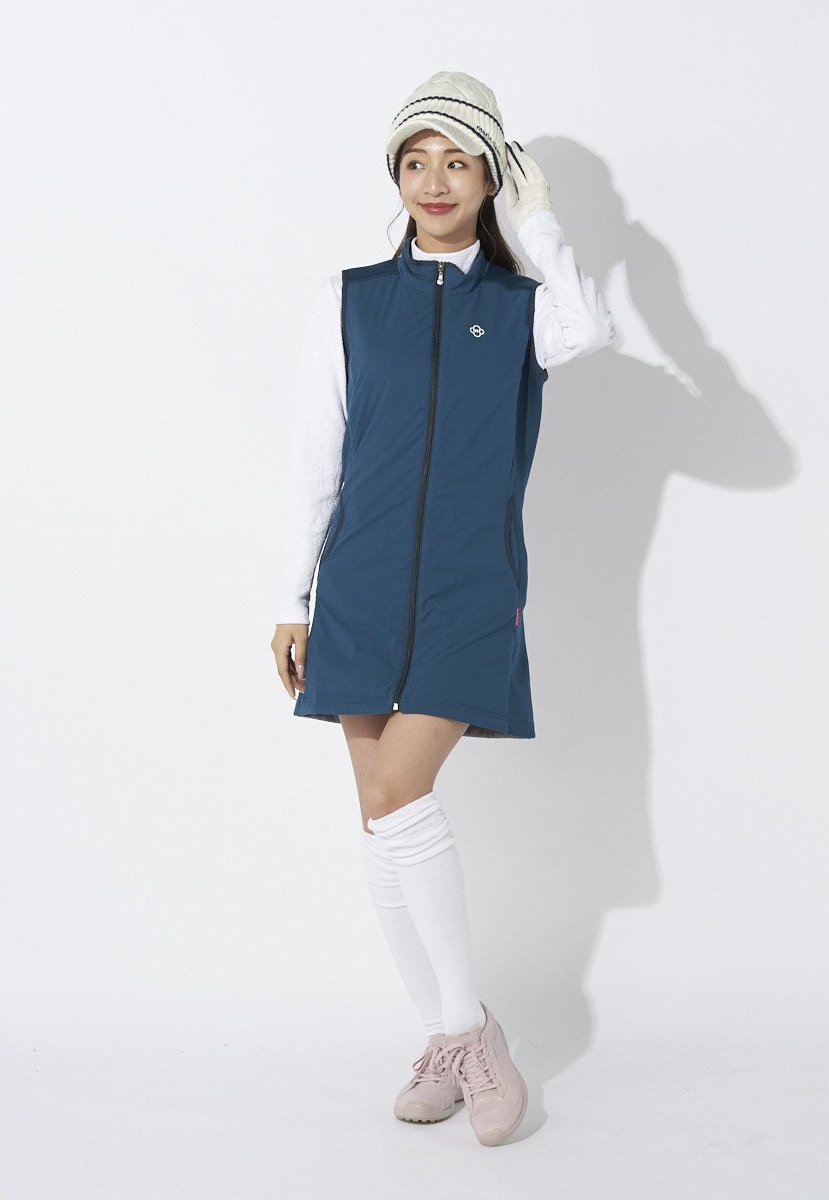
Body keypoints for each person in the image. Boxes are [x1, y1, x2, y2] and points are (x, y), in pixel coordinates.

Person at [270, 71, 615, 1146]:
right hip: (360, 581)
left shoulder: (520, 309)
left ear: (489, 177)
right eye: (415, 162)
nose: (433, 181)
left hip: (472, 584)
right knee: (381, 817)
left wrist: (541, 222)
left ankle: (468, 1033)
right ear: (395, 175)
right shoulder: (346, 298)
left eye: (457, 162)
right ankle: (449, 1037)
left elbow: (590, 330)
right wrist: (292, 597)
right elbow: (314, 455)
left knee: (398, 793)